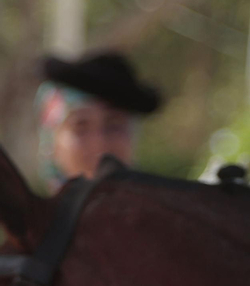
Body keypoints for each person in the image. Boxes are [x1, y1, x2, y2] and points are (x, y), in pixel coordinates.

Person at [35, 52, 163, 192]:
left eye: (114, 125)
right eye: (80, 126)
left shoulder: (167, 211)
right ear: (52, 142)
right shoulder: (28, 214)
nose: (99, 145)